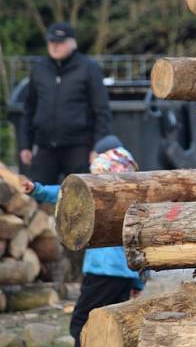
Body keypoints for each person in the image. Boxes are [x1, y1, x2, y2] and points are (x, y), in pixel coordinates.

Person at [21, 135, 144, 347]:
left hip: (102, 272)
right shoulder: (134, 195)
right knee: (115, 323)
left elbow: (64, 193)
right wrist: (138, 281)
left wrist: (37, 190)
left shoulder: (98, 192)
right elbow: (140, 246)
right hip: (124, 274)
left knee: (82, 322)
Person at [19, 22, 111, 184]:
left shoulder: (89, 68)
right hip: (45, 146)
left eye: (59, 42)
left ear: (72, 43)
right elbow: (29, 109)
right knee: (39, 196)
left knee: (79, 198)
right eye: (51, 42)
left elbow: (102, 111)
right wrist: (25, 144)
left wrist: (98, 147)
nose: (55, 46)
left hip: (79, 147)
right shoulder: (39, 69)